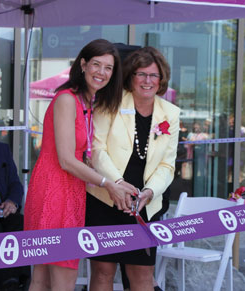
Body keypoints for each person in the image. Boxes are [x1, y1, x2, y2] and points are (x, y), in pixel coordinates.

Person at [24, 39, 133, 291]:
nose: (102, 72)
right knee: (60, 278)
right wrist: (107, 184)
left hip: (70, 189)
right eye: (96, 64)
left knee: (44, 277)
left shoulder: (87, 102)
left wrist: (116, 182)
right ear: (82, 65)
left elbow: (87, 156)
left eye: (108, 68)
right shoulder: (67, 98)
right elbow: (65, 159)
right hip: (55, 189)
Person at [86, 46, 180, 291]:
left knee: (141, 274)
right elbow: (97, 150)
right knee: (103, 271)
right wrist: (116, 185)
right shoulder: (110, 103)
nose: (147, 81)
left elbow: (167, 165)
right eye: (141, 74)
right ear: (131, 77)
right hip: (106, 198)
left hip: (145, 204)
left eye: (154, 76)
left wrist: (149, 192)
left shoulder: (171, 113)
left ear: (161, 80)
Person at [0, 140, 30, 291]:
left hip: (3, 209)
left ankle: (22, 280)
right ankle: (9, 283)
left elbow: (15, 183)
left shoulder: (1, 149)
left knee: (19, 222)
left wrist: (12, 202)